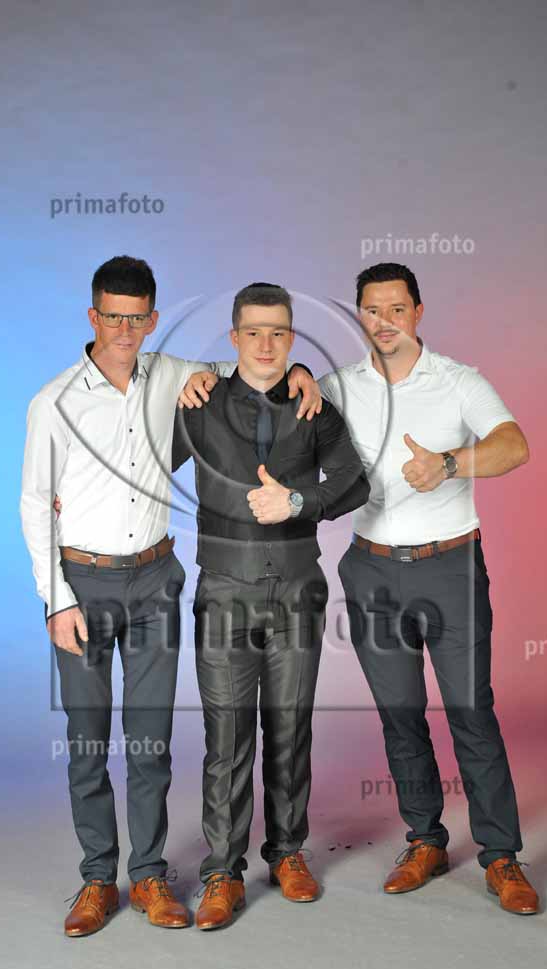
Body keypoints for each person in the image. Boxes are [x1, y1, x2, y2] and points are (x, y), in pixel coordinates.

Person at [20, 256, 320, 937]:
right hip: (83, 584)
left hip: (155, 580)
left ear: (152, 320)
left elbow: (251, 365)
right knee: (88, 741)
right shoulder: (54, 402)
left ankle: (150, 874)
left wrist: (299, 371)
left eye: (136, 319)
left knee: (149, 741)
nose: (124, 331)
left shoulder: (176, 376)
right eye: (112, 317)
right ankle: (98, 879)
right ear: (92, 317)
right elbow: (36, 504)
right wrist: (56, 599)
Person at [320, 262, 539, 915]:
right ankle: (425, 840)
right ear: (358, 316)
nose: (384, 321)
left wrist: (448, 463)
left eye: (397, 308)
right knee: (400, 713)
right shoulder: (337, 386)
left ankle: (500, 853)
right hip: (371, 569)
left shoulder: (458, 380)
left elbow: (513, 446)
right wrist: (292, 375)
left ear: (417, 312)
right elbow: (272, 402)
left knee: (470, 709)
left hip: (450, 567)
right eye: (372, 310)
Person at [172, 282, 370, 930]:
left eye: (278, 333)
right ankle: (222, 871)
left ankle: (286, 852)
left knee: (289, 729)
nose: (265, 344)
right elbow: (139, 457)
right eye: (253, 332)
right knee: (226, 737)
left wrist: (299, 502)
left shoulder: (314, 407)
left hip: (295, 592)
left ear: (291, 339)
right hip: (223, 592)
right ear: (234, 338)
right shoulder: (199, 402)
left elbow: (355, 482)